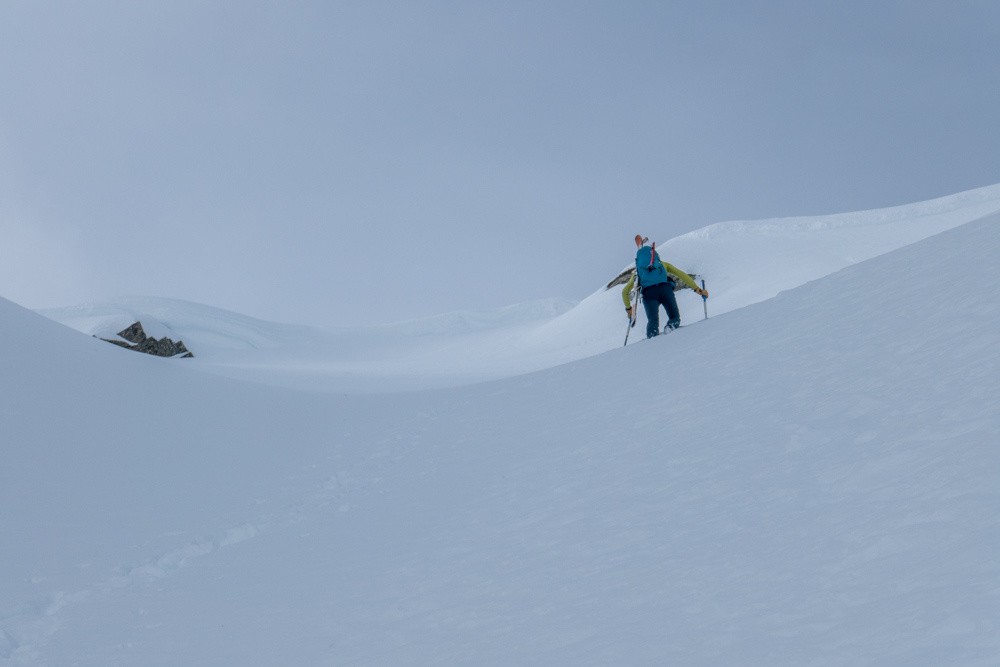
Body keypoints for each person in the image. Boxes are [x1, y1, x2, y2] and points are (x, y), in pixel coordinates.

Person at [622, 234, 708, 338]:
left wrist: (629, 309)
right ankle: (670, 327)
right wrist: (697, 289)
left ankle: (652, 337)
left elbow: (624, 292)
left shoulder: (638, 272)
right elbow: (681, 275)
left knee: (652, 322)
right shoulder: (662, 264)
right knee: (674, 316)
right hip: (665, 290)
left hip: (648, 294)